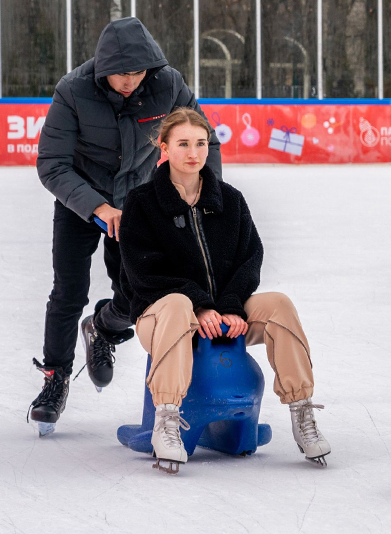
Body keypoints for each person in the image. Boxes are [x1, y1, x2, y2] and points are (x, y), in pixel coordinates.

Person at [29, 17, 220, 435]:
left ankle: (102, 328)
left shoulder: (168, 85)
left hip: (137, 200)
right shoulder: (74, 90)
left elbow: (205, 138)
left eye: (137, 72)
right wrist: (97, 207)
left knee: (139, 293)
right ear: (102, 68)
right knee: (68, 291)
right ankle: (55, 378)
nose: (130, 81)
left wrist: (207, 197)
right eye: (121, 73)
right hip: (81, 200)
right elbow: (52, 164)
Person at [119, 109, 329, 472]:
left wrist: (232, 305)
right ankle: (167, 420)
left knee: (278, 304)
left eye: (200, 144)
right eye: (183, 144)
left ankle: (302, 411)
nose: (193, 153)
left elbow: (251, 258)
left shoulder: (229, 200)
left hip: (224, 316)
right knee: (176, 304)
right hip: (163, 318)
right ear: (164, 147)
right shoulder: (141, 203)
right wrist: (199, 306)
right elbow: (143, 272)